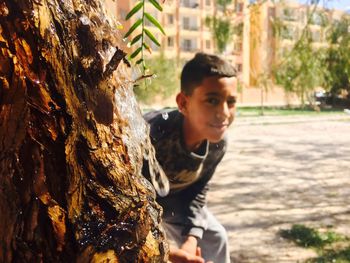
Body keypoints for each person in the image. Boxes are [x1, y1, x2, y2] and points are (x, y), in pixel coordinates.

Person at [143, 52, 237, 263]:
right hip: (138, 205)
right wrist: (160, 250)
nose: (223, 113)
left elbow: (197, 191)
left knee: (216, 238)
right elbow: (125, 200)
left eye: (231, 102)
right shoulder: (150, 134)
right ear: (183, 103)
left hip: (176, 204)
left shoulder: (218, 144)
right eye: (212, 100)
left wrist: (190, 240)